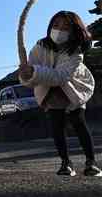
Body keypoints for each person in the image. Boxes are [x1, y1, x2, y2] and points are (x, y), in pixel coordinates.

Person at [19, 11, 101, 177]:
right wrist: (27, 75)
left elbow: (60, 76)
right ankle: (66, 162)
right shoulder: (39, 47)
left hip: (73, 89)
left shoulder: (76, 52)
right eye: (56, 25)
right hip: (49, 92)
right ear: (50, 26)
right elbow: (31, 76)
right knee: (57, 125)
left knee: (78, 122)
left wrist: (34, 71)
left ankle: (91, 162)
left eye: (65, 27)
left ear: (74, 31)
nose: (59, 30)